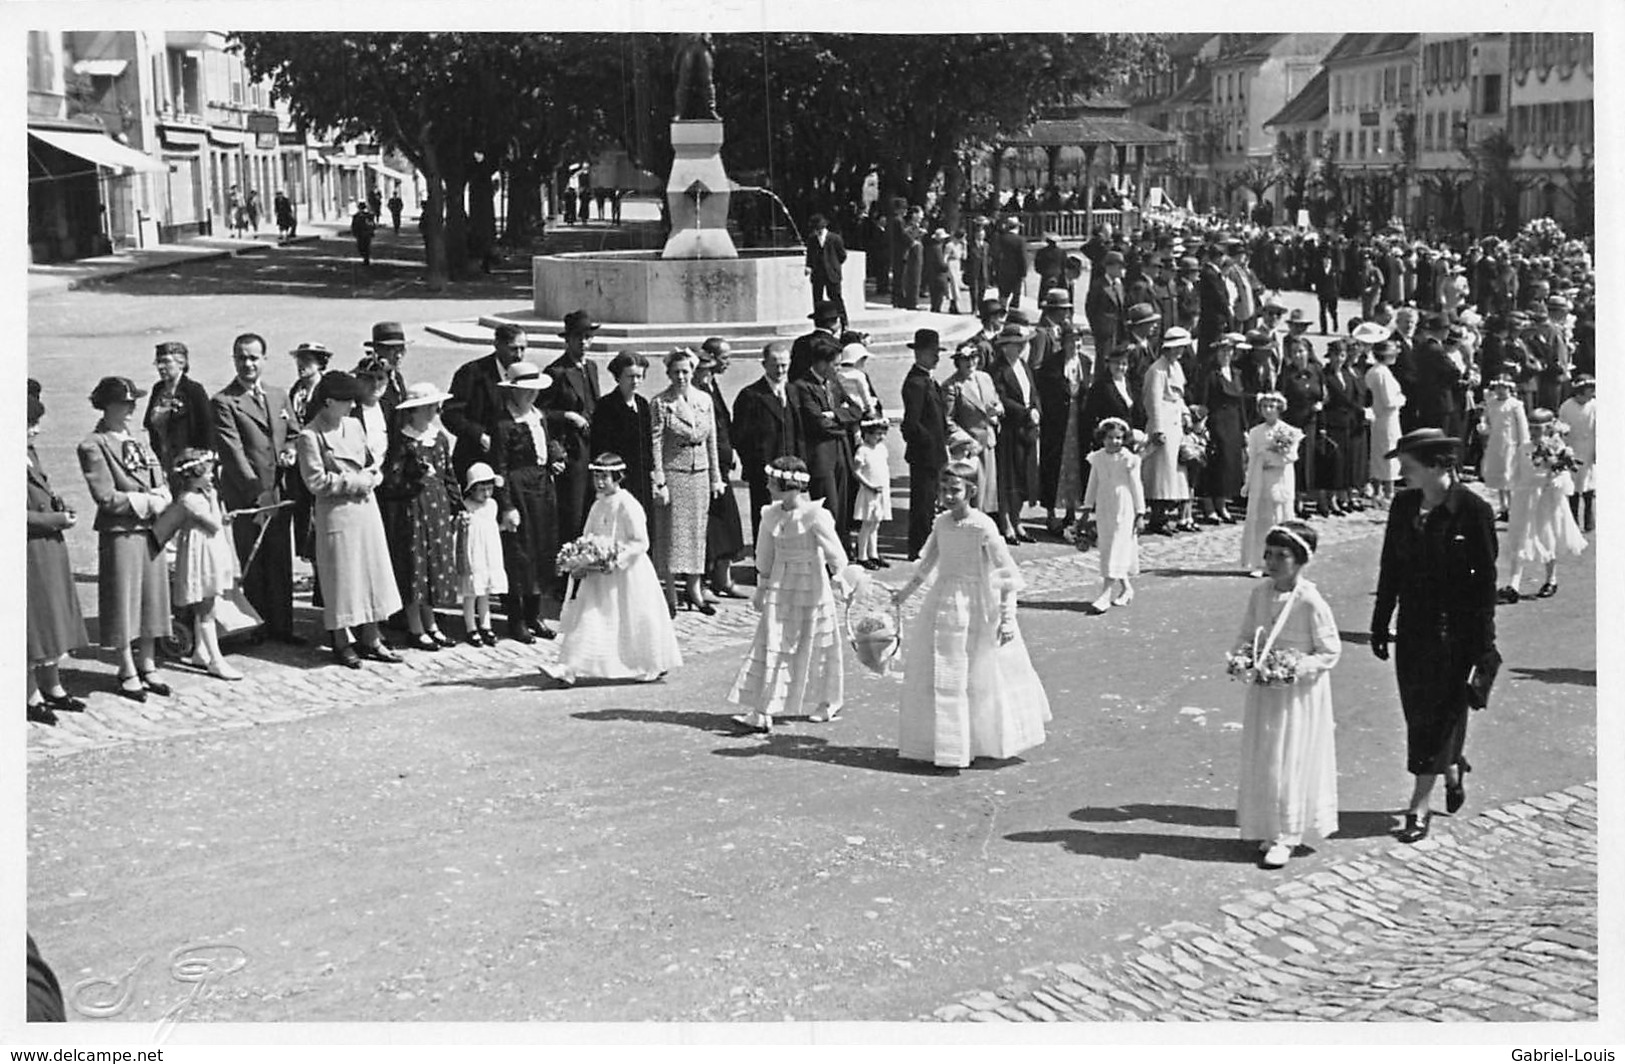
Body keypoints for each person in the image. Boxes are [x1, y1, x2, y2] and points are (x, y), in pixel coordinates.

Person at [1371, 428, 1498, 843]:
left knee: (1438, 716)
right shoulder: (1404, 505)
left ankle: (1418, 804)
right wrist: (1380, 619)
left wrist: (1483, 644)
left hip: (1455, 631)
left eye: (1407, 465)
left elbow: (1484, 584)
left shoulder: (1473, 511)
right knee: (1417, 712)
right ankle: (1451, 765)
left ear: (1436, 466)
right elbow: (1390, 566)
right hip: (1413, 627)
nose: (1401, 472)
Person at [892, 460, 1051, 769]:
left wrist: (1007, 618)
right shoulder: (941, 523)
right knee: (945, 670)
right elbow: (928, 563)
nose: (948, 496)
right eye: (943, 490)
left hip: (978, 603)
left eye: (955, 490)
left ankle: (982, 739)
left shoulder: (982, 526)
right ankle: (951, 743)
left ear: (971, 491)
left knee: (979, 672)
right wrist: (904, 593)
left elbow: (1006, 574)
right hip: (944, 601)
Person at [1233, 521, 1342, 869]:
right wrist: (1242, 658)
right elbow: (1248, 633)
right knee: (1266, 754)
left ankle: (1289, 833)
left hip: (1297, 694)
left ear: (1301, 560)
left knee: (1291, 756)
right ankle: (1268, 825)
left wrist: (1294, 667)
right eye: (1269, 555)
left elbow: (1329, 651)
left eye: (1282, 556)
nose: (1273, 562)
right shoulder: (1260, 593)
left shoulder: (1310, 600)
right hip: (1267, 690)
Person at [726, 457, 851, 732]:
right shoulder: (770, 516)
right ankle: (763, 709)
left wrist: (843, 581)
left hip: (813, 585)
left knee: (820, 643)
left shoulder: (815, 516)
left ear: (791, 487)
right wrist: (761, 589)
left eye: (774, 484)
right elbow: (764, 555)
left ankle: (828, 701)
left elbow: (836, 554)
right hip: (782, 585)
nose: (769, 487)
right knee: (773, 641)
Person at [295, 370, 404, 668]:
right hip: (337, 514)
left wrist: (374, 476)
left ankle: (372, 636)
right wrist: (355, 482)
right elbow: (315, 481)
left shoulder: (354, 425)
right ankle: (342, 640)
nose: (351, 407)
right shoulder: (310, 435)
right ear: (329, 402)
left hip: (366, 511)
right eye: (346, 402)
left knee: (371, 574)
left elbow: (371, 462)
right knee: (342, 579)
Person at [79, 376, 174, 701]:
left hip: (150, 529)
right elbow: (105, 496)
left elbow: (156, 471)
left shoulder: (137, 440)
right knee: (124, 600)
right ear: (106, 405)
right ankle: (126, 667)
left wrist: (162, 493)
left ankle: (148, 662)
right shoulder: (94, 444)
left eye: (134, 401)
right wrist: (147, 502)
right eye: (124, 402)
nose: (131, 407)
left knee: (151, 598)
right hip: (121, 530)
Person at [551, 453, 683, 685]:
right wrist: (582, 559)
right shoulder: (597, 505)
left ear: (618, 477)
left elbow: (641, 542)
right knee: (587, 617)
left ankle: (651, 663)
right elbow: (587, 536)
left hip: (629, 573)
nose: (600, 482)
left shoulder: (628, 504)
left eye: (605, 477)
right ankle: (568, 667)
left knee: (637, 619)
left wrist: (616, 557)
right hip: (599, 573)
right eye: (596, 477)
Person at [379, 382, 461, 650]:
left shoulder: (438, 437)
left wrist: (455, 505)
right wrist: (415, 478)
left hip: (436, 506)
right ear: (413, 411)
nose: (432, 411)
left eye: (433, 406)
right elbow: (391, 482)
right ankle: (415, 626)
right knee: (416, 565)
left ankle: (431, 622)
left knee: (434, 564)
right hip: (412, 508)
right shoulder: (404, 440)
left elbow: (449, 473)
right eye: (426, 407)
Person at [27, 382, 89, 725]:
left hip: (48, 548)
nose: (35, 430)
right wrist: (54, 519)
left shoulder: (29, 453)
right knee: (34, 623)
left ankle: (53, 685)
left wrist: (57, 503)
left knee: (52, 618)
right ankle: (29, 693)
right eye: (28, 424)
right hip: (30, 551)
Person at [489, 361, 564, 642]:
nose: (531, 396)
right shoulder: (504, 423)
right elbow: (501, 467)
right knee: (519, 555)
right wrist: (506, 505)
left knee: (541, 551)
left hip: (542, 490)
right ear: (512, 392)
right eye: (525, 391)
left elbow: (546, 445)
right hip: (518, 491)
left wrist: (554, 460)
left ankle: (535, 614)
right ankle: (516, 619)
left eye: (534, 391)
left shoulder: (538, 415)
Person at [651, 348, 725, 615]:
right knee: (671, 534)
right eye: (676, 372)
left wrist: (716, 477)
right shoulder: (661, 403)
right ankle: (670, 592)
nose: (681, 376)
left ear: (693, 372)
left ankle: (694, 589)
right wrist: (659, 478)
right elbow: (656, 442)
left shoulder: (704, 399)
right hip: (675, 473)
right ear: (669, 374)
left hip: (700, 474)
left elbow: (712, 441)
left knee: (696, 534)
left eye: (685, 371)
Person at [166, 449, 244, 680]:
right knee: (206, 606)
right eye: (208, 473)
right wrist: (213, 503)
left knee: (208, 603)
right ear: (194, 475)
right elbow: (213, 525)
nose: (212, 477)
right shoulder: (190, 500)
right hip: (201, 555)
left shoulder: (197, 497)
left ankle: (201, 652)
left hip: (209, 551)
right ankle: (216, 660)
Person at [1500, 408, 1587, 602]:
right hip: (1526, 496)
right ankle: (1514, 584)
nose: (1534, 432)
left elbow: (1565, 474)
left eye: (1538, 428)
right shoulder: (1524, 448)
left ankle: (1551, 579)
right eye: (1531, 428)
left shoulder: (1558, 448)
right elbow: (1518, 471)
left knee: (1548, 536)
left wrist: (1559, 479)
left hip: (1547, 498)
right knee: (1521, 536)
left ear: (1549, 428)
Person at [791, 337, 863, 549]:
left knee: (843, 506)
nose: (838, 368)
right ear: (821, 363)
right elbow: (817, 423)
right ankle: (828, 553)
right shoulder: (802, 386)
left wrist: (834, 415)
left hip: (841, 451)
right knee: (828, 507)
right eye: (835, 364)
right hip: (821, 456)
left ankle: (841, 551)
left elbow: (856, 410)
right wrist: (841, 420)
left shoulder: (833, 383)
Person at [729, 342, 801, 544]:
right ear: (764, 364)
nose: (780, 371)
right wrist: (756, 464)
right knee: (765, 521)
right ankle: (764, 566)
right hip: (764, 472)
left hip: (792, 470)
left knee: (791, 519)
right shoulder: (750, 395)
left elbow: (800, 431)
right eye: (775, 365)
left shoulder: (794, 391)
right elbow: (740, 437)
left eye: (784, 366)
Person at [543, 311, 603, 544]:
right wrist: (568, 415)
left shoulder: (592, 368)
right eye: (578, 337)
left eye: (588, 337)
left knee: (594, 506)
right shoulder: (556, 372)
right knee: (573, 513)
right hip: (572, 451)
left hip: (593, 448)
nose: (584, 342)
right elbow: (540, 412)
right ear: (567, 340)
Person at [1032, 288, 1087, 536]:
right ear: (1062, 342)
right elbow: (1042, 384)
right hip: (1057, 422)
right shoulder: (1052, 364)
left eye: (1077, 340)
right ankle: (1051, 513)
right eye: (1069, 340)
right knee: (1054, 464)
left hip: (1077, 423)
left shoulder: (1085, 362)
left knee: (1075, 465)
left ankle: (1071, 511)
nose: (1074, 344)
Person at [443, 322, 530, 480]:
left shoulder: (524, 374)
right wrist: (479, 435)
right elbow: (450, 414)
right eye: (513, 349)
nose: (519, 355)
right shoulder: (472, 373)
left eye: (523, 349)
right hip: (477, 461)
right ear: (497, 345)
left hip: (512, 464)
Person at [695, 340, 747, 600]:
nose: (727, 363)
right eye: (724, 357)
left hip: (722, 464)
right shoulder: (696, 390)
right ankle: (706, 580)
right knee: (711, 526)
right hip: (705, 467)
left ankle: (723, 578)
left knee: (728, 523)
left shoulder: (712, 385)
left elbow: (722, 424)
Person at [1081, 417, 1145, 613]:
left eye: (1118, 438)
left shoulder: (1129, 460)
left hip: (1124, 506)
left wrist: (1140, 512)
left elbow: (1136, 486)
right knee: (1108, 547)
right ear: (1103, 438)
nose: (1114, 442)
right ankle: (1126, 588)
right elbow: (1093, 484)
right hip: (1104, 506)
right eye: (1110, 438)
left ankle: (1105, 594)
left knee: (1118, 545)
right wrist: (1086, 508)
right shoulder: (1097, 458)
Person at [900, 330, 950, 561]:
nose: (936, 358)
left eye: (937, 353)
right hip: (924, 455)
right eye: (932, 353)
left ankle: (928, 545)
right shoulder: (915, 383)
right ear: (919, 353)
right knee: (922, 503)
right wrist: (929, 442)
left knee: (930, 502)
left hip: (936, 453)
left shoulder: (929, 381)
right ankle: (918, 548)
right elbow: (911, 424)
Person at [1238, 392, 1300, 576]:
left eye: (1272, 407)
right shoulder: (1256, 432)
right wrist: (1248, 482)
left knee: (1280, 517)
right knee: (1262, 519)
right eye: (1264, 407)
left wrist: (1275, 458)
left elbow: (1292, 456)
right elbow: (1251, 457)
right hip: (1261, 478)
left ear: (1279, 409)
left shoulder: (1289, 431)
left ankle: (1283, 562)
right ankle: (1259, 562)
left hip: (1280, 476)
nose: (1268, 410)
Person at [990, 321, 1040, 545]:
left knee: (1023, 476)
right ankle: (1007, 521)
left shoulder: (1024, 365)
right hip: (1010, 429)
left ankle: (1018, 518)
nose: (1021, 348)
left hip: (1027, 429)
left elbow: (1033, 392)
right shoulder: (998, 370)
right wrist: (1025, 412)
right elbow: (1001, 398)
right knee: (1008, 476)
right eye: (1016, 344)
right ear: (1005, 346)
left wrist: (1037, 409)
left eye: (1023, 344)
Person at [942, 340, 1001, 518]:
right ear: (957, 362)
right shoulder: (952, 385)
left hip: (988, 443)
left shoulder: (985, 378)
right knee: (971, 496)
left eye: (974, 358)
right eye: (965, 359)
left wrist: (997, 411)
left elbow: (996, 401)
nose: (970, 363)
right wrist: (966, 441)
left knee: (988, 498)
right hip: (968, 449)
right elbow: (947, 420)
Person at [1193, 332, 1247, 523]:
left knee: (1229, 466)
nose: (1225, 355)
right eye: (1222, 351)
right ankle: (1209, 507)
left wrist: (1244, 428)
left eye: (1229, 351)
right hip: (1217, 422)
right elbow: (1203, 400)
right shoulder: (1210, 375)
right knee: (1215, 464)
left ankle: (1222, 504)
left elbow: (1241, 404)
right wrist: (1202, 424)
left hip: (1233, 423)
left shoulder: (1237, 373)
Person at [143, 341, 213, 479]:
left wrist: (204, 465)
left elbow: (208, 429)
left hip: (189, 466)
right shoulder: (158, 389)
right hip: (162, 462)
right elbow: (149, 424)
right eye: (158, 362)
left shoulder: (194, 390)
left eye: (166, 362)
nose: (161, 367)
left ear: (181, 363)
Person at [457, 463, 508, 646]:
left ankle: (486, 625)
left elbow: (492, 527)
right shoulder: (466, 506)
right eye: (481, 490)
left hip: (490, 552)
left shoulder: (492, 505)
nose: (486, 494)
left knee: (486, 591)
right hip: (475, 552)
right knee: (472, 592)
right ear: (471, 490)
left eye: (490, 489)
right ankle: (471, 627)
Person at [1318, 340, 1368, 516]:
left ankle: (1341, 497)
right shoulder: (1325, 375)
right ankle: (1327, 500)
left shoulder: (1347, 375)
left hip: (1347, 423)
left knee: (1344, 463)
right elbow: (1324, 402)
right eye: (1335, 355)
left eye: (1341, 355)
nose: (1338, 359)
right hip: (1332, 422)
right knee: (1332, 464)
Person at [1479, 374, 1527, 520]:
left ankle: (1513, 508)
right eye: (1498, 388)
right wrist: (1483, 427)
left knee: (1509, 474)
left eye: (1504, 388)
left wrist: (1523, 444)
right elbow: (1488, 421)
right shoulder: (1491, 403)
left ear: (1510, 389)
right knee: (1499, 475)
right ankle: (1503, 506)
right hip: (1496, 443)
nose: (1500, 391)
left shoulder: (1515, 405)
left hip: (1510, 444)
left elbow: (1522, 426)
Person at [1364, 338, 1406, 504]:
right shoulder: (1382, 373)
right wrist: (1402, 399)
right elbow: (1389, 401)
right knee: (1388, 452)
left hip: (1379, 417)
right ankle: (1387, 492)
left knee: (1378, 452)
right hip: (1387, 418)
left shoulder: (1374, 371)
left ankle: (1378, 489)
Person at [851, 418, 893, 570]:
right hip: (870, 491)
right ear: (867, 434)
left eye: (883, 434)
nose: (880, 437)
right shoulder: (863, 450)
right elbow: (856, 471)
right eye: (877, 434)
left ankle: (873, 553)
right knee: (867, 524)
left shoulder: (881, 449)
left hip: (881, 491)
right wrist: (869, 485)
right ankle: (862, 556)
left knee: (876, 524)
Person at [1557, 374, 1595, 532]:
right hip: (1572, 448)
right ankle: (1572, 519)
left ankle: (1588, 518)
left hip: (1589, 448)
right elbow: (1561, 428)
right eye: (1589, 389)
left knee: (1589, 484)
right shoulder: (1566, 406)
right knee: (1572, 485)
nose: (1592, 392)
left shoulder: (1595, 406)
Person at [804, 213, 848, 330]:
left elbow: (842, 255)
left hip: (832, 274)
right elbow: (810, 255)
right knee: (817, 299)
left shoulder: (835, 238)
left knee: (836, 298)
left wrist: (834, 266)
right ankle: (819, 324)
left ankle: (844, 323)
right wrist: (809, 266)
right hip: (818, 274)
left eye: (820, 229)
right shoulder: (812, 239)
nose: (818, 231)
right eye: (816, 229)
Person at [991, 216, 1029, 310]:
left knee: (1003, 293)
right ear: (1017, 227)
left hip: (1002, 269)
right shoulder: (1020, 240)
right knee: (1016, 294)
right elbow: (1023, 257)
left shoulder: (1001, 238)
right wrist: (1024, 272)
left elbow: (995, 254)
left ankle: (1001, 310)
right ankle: (1013, 313)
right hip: (1016, 272)